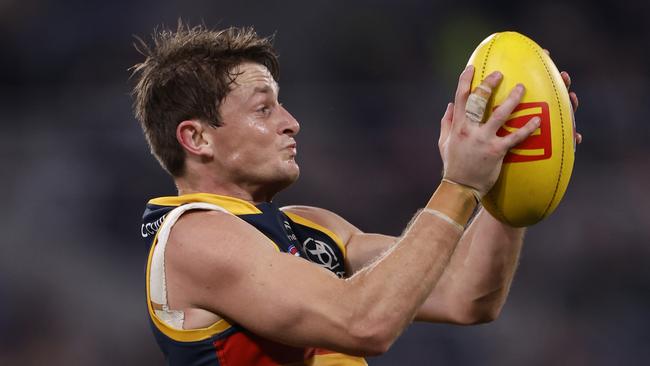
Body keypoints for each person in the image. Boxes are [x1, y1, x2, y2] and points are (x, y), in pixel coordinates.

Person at [131, 24, 579, 366]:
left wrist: (509, 173)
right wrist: (460, 185)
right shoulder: (192, 237)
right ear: (197, 138)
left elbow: (467, 295)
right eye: (264, 108)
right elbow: (364, 323)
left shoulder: (312, 225)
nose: (291, 122)